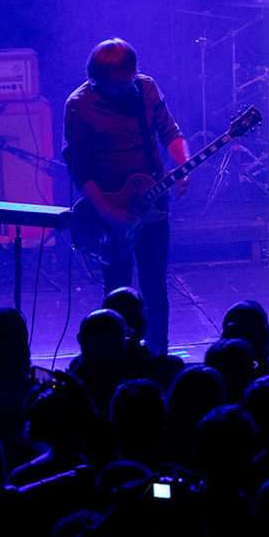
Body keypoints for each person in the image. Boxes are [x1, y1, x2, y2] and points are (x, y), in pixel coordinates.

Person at [64, 38, 192, 355]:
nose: (126, 86)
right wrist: (106, 211)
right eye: (117, 82)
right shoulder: (79, 106)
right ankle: (115, 357)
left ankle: (158, 354)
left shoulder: (146, 89)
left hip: (152, 203)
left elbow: (171, 132)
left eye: (129, 78)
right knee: (117, 290)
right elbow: (80, 169)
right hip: (108, 209)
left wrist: (183, 163)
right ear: (96, 79)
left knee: (154, 285)